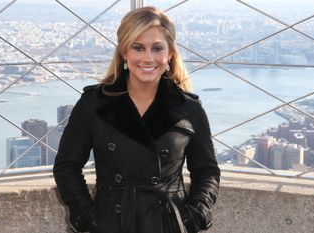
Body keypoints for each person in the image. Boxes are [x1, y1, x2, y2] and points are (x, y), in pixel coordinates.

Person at [53, 6, 220, 233]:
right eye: (138, 48)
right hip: (111, 223)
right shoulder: (93, 103)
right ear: (124, 52)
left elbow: (207, 171)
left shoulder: (189, 108)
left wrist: (194, 216)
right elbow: (66, 166)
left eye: (157, 48)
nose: (148, 58)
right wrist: (89, 218)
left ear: (170, 54)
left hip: (169, 224)